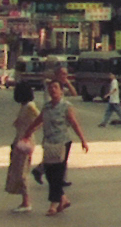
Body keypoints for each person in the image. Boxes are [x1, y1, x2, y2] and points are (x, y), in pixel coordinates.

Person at [26, 79, 88, 216]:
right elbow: (38, 120)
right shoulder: (47, 107)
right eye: (50, 88)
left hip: (62, 143)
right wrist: (28, 132)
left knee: (58, 174)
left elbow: (74, 123)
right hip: (48, 143)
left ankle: (53, 205)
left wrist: (83, 140)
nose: (53, 90)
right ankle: (63, 199)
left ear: (61, 90)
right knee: (49, 173)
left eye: (55, 87)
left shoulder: (66, 106)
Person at [6, 81, 40, 213]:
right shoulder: (25, 106)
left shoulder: (30, 107)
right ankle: (24, 200)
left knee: (21, 172)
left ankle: (26, 201)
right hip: (20, 140)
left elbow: (40, 119)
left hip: (25, 142)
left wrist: (30, 132)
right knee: (19, 169)